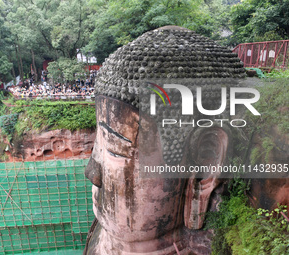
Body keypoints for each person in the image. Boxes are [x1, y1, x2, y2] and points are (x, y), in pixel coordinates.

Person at [83, 26, 245, 255]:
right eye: (97, 145)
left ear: (205, 167)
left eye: (114, 149)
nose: (91, 172)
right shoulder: (100, 236)